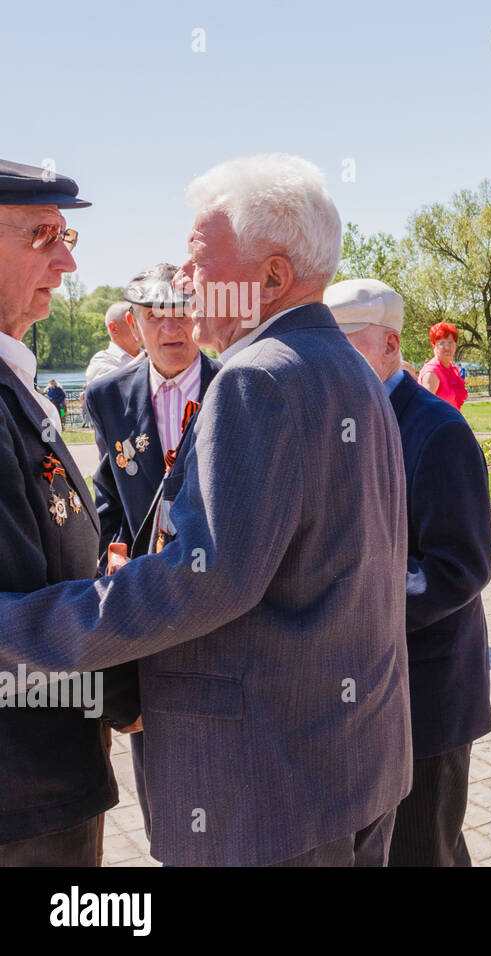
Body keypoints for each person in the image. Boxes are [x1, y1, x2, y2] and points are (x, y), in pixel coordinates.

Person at [0, 153, 412, 867]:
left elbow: (207, 577)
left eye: (196, 259)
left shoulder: (258, 378)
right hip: (346, 764)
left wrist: (18, 626)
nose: (182, 283)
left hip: (265, 789)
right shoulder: (344, 363)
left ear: (272, 278)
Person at [328, 278, 491, 867]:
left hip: (426, 696)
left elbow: (458, 568)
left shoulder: (438, 431)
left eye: (347, 344)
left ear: (391, 344)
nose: (332, 359)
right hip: (358, 693)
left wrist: (346, 605)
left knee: (426, 849)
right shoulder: (338, 422)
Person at [0, 158, 128, 866]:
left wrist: (90, 560)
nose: (68, 257)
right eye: (43, 234)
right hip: (25, 790)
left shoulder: (14, 380)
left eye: (67, 233)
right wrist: (121, 692)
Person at [80, 264, 221, 842]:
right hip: (147, 609)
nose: (172, 329)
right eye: (155, 317)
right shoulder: (107, 396)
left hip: (220, 599)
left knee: (225, 762)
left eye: (183, 312)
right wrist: (107, 550)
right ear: (133, 325)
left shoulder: (235, 383)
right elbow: (109, 489)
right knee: (160, 778)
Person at [84, 302, 143, 386]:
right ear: (114, 328)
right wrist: (146, 355)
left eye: (143, 322)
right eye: (134, 322)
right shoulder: (100, 360)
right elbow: (119, 383)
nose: (142, 327)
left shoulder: (154, 357)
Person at [419, 322, 468, 410]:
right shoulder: (432, 372)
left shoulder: (451, 368)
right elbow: (425, 409)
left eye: (451, 342)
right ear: (433, 345)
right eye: (442, 343)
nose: (447, 347)